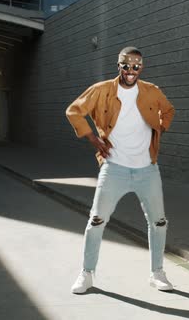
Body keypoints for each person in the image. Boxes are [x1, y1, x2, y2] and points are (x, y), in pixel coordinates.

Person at [66, 46, 175, 294]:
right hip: (114, 168)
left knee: (158, 222)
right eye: (126, 66)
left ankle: (157, 272)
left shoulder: (152, 91)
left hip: (147, 169)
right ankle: (86, 273)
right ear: (119, 65)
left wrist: (160, 128)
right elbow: (73, 111)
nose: (130, 71)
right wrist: (93, 139)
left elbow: (168, 110)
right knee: (96, 221)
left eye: (136, 66)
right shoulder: (102, 89)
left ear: (141, 67)